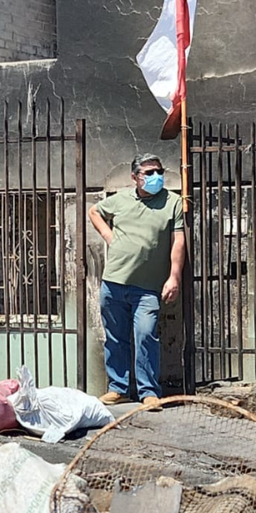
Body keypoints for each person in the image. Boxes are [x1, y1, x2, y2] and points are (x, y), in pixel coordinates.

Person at [88, 153, 185, 411]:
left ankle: (149, 392)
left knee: (145, 334)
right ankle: (118, 389)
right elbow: (94, 211)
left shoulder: (172, 202)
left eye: (159, 171)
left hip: (148, 287)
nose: (156, 177)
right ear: (135, 178)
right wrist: (110, 238)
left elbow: (178, 241)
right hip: (114, 282)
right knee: (115, 337)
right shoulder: (120, 200)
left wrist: (174, 276)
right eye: (149, 173)